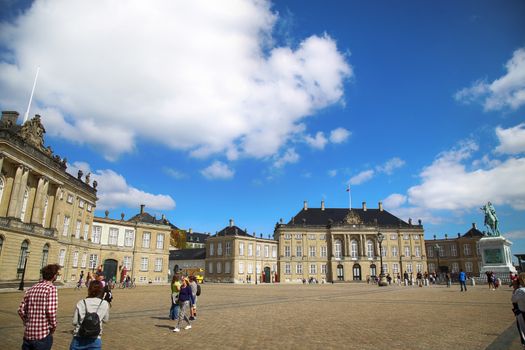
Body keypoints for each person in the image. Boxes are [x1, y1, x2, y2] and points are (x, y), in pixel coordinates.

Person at [18, 264, 61, 350]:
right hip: (42, 335)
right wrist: (53, 327)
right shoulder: (51, 288)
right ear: (54, 276)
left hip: (28, 334)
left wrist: (28, 322)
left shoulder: (32, 288)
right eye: (57, 274)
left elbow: (20, 310)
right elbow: (50, 312)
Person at [70, 280, 110, 350]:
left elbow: (74, 322)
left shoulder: (81, 302)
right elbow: (106, 320)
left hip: (79, 337)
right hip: (95, 339)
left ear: (89, 290)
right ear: (101, 291)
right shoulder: (104, 303)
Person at [511, 273, 525, 348]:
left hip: (522, 314)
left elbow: (513, 299)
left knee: (522, 331)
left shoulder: (520, 291)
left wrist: (515, 289)